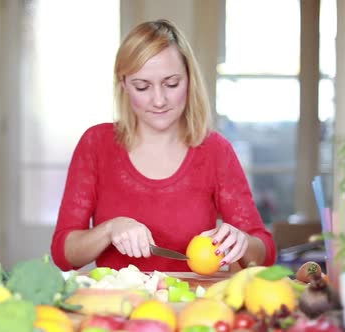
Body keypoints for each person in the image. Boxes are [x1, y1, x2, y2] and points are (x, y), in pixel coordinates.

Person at [51, 19, 276, 272]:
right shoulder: (96, 144)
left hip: (193, 306)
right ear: (123, 84)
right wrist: (109, 230)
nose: (159, 100)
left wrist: (241, 242)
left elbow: (265, 253)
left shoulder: (215, 150)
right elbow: (63, 254)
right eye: (142, 86)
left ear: (190, 80)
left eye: (171, 84)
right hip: (118, 305)